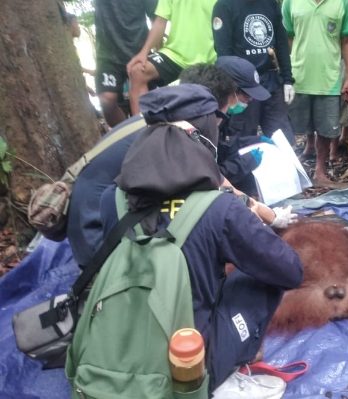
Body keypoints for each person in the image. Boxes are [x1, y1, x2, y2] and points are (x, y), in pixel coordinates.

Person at [97, 83, 304, 392]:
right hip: (185, 370)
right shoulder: (220, 209)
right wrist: (255, 226)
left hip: (113, 353)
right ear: (205, 138)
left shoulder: (111, 199)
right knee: (259, 277)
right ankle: (237, 352)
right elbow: (289, 270)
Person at [67, 61, 288, 268]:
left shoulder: (158, 117)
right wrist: (271, 217)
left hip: (104, 218)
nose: (219, 122)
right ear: (206, 108)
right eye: (221, 115)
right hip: (99, 236)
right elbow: (218, 186)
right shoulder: (173, 135)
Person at [282, 0, 348, 188]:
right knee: (296, 125)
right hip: (299, 76)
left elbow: (347, 40)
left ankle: (320, 171)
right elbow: (287, 37)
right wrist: (288, 69)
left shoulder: (343, 3)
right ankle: (291, 170)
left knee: (326, 128)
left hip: (329, 77)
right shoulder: (290, 2)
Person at [183, 57, 272, 197]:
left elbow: (223, 145)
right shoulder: (199, 122)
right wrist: (244, 164)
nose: (250, 100)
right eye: (247, 95)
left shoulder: (219, 114)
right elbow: (206, 178)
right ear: (228, 90)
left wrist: (253, 141)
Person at [212, 0, 296, 144]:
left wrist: (287, 79)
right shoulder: (224, 5)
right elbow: (224, 53)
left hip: (271, 79)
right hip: (242, 85)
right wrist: (232, 90)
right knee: (241, 139)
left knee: (282, 137)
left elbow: (281, 42)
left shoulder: (270, 4)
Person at [126, 0, 218, 115]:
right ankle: (142, 129)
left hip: (208, 61)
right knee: (138, 71)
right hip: (174, 55)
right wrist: (144, 52)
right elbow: (160, 22)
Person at [94, 0, 157, 128]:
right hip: (108, 54)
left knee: (144, 104)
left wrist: (152, 50)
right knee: (107, 100)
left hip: (139, 51)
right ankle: (128, 134)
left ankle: (148, 138)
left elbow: (156, 19)